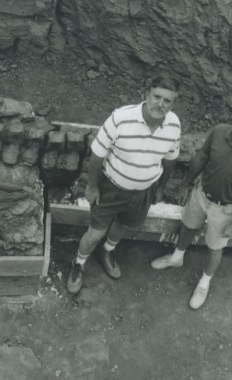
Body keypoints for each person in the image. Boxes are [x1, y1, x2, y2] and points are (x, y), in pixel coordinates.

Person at [149, 99, 232, 310]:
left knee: (215, 247)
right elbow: (201, 158)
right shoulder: (218, 132)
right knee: (188, 226)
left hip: (226, 209)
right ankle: (177, 257)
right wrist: (186, 185)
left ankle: (204, 283)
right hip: (200, 194)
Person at [66, 75, 182, 294]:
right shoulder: (121, 118)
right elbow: (98, 154)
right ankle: (78, 264)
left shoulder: (173, 125)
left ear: (173, 103)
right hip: (111, 188)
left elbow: (170, 159)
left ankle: (107, 252)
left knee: (123, 225)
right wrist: (92, 186)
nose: (160, 104)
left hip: (143, 193)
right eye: (157, 97)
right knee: (95, 233)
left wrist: (160, 188)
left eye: (167, 101)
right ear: (146, 94)